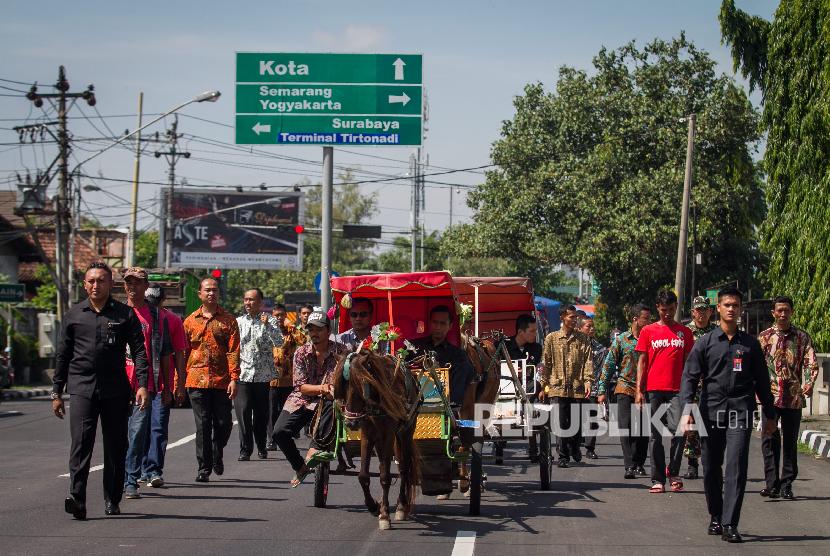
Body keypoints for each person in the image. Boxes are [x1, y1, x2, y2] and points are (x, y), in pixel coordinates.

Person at [679, 287, 777, 543]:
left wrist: (770, 414)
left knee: (736, 466)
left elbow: (763, 382)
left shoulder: (751, 345)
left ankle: (730, 523)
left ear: (740, 309)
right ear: (718, 309)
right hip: (710, 412)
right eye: (727, 305)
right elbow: (689, 378)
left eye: (735, 305)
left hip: (740, 413)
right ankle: (715, 515)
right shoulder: (705, 342)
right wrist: (687, 411)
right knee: (711, 467)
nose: (731, 309)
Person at [52, 261, 149, 519]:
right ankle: (78, 499)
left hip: (116, 390)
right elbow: (63, 355)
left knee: (116, 445)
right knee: (81, 444)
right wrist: (56, 392)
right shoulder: (74, 315)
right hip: (82, 389)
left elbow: (139, 351)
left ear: (111, 284)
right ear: (85, 285)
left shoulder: (124, 315)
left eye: (101, 281)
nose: (96, 285)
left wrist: (141, 385)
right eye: (91, 281)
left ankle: (112, 498)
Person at [273, 309, 348, 487]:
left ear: (328, 331)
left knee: (333, 402)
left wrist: (332, 390)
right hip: (303, 399)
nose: (314, 333)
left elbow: (344, 381)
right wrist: (322, 388)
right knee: (279, 432)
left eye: (319, 329)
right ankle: (300, 467)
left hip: (329, 401)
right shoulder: (301, 352)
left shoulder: (342, 351)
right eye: (311, 329)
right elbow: (300, 386)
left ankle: (315, 448)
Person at [757, 295, 819, 500]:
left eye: (786, 310)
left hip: (793, 398)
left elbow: (811, 363)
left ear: (792, 312)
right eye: (779, 310)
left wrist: (808, 384)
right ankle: (771, 484)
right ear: (773, 313)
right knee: (769, 441)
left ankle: (787, 484)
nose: (783, 314)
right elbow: (755, 366)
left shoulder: (802, 337)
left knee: (790, 443)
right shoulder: (764, 337)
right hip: (770, 399)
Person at [181, 277, 240, 482]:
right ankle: (204, 468)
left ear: (219, 293)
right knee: (203, 425)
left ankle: (217, 451)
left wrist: (234, 378)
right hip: (196, 380)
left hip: (222, 380)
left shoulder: (229, 320)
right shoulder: (189, 321)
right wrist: (178, 381)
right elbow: (183, 351)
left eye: (214, 290)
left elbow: (233, 351)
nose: (211, 293)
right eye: (207, 290)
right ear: (200, 294)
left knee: (224, 423)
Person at [122, 269, 174, 500]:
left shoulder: (156, 316)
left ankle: (130, 480)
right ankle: (120, 477)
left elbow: (164, 352)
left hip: (146, 385)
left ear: (146, 287)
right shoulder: (117, 312)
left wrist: (168, 387)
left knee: (137, 434)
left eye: (138, 283)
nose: (133, 287)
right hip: (118, 383)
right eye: (129, 283)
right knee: (118, 435)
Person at [635, 289, 693, 493]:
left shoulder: (685, 333)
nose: (666, 314)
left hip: (678, 390)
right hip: (653, 390)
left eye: (670, 309)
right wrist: (639, 391)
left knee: (681, 429)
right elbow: (642, 362)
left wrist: (690, 391)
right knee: (655, 435)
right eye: (662, 310)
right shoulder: (648, 331)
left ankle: (674, 471)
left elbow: (689, 364)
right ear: (657, 309)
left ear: (676, 307)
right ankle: (657, 478)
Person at [141, 283, 188, 488]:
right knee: (139, 428)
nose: (152, 307)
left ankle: (153, 471)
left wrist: (179, 385)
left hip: (162, 384)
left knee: (158, 427)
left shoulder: (172, 320)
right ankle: (140, 468)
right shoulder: (136, 317)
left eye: (155, 303)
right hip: (139, 384)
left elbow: (179, 354)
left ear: (162, 302)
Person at [598, 303, 651, 479]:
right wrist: (602, 390)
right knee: (625, 427)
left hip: (645, 389)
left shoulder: (651, 338)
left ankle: (639, 463)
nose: (649, 322)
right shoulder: (621, 340)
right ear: (635, 319)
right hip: (624, 387)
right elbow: (608, 365)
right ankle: (629, 465)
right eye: (646, 318)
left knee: (643, 430)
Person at [540, 304, 593, 468]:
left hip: (577, 388)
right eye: (571, 317)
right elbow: (546, 363)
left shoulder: (583, 339)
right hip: (557, 387)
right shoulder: (551, 338)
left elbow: (587, 361)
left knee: (576, 424)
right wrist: (543, 385)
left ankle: (575, 447)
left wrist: (588, 381)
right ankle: (562, 456)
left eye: (576, 317)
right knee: (560, 423)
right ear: (563, 317)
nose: (575, 319)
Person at [235, 288, 283, 461]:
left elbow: (279, 342)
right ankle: (245, 449)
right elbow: (233, 348)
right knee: (244, 412)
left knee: (261, 415)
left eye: (252, 300)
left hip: (263, 376)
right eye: (246, 299)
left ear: (261, 302)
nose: (248, 303)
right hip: (243, 375)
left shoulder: (270, 320)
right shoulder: (238, 321)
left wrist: (267, 326)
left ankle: (261, 446)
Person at [411, 305, 477, 408]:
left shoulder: (457, 354)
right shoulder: (414, 347)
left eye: (442, 323)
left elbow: (469, 372)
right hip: (412, 403)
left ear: (450, 326)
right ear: (430, 323)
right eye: (435, 322)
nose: (438, 327)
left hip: (445, 406)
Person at [683, 295, 718, 480]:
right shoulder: (686, 332)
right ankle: (692, 464)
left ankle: (710, 463)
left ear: (710, 311)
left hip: (712, 385)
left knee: (711, 425)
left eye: (705, 309)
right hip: (692, 385)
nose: (701, 313)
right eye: (698, 310)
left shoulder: (717, 332)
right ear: (693, 312)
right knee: (692, 426)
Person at [267, 303, 307, 450]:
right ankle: (271, 440)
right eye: (276, 315)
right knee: (272, 411)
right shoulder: (268, 331)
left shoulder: (291, 332)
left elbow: (304, 341)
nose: (279, 318)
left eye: (282, 315)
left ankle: (285, 436)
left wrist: (291, 326)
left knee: (288, 410)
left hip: (289, 379)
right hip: (271, 379)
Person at [505, 314, 543, 460]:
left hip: (528, 388)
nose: (535, 334)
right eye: (532, 331)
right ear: (521, 332)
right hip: (505, 386)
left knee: (531, 402)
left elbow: (538, 369)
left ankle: (534, 450)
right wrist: (512, 370)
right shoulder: (503, 346)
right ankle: (500, 444)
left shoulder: (536, 348)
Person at [579, 315, 608, 460]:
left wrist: (601, 392)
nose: (591, 329)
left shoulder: (600, 349)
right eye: (587, 326)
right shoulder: (573, 346)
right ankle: (572, 445)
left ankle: (590, 448)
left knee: (593, 419)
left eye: (592, 326)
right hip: (575, 388)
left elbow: (603, 371)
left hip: (593, 388)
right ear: (579, 328)